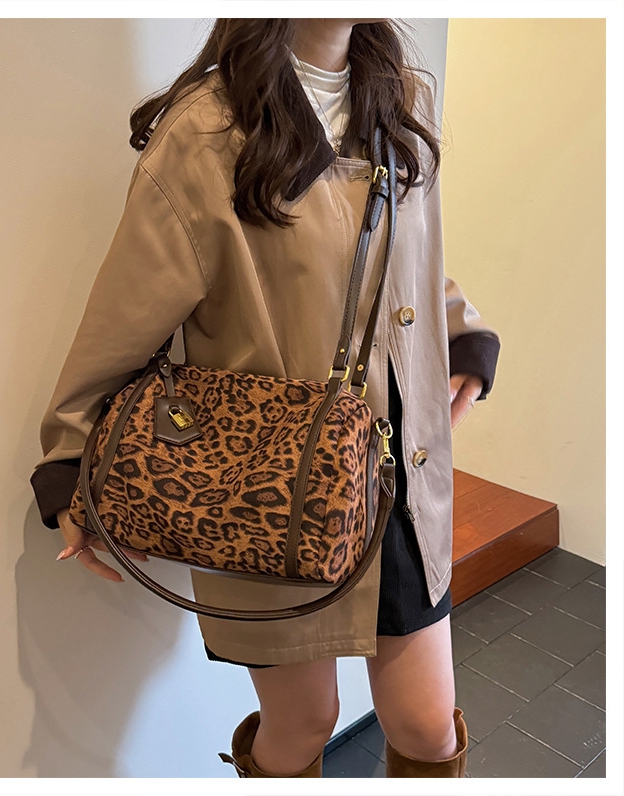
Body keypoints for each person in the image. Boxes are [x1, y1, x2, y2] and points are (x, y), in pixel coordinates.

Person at [30, 18, 500, 778]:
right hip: (275, 486)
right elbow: (124, 314)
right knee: (305, 721)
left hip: (398, 478)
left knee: (425, 725)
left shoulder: (402, 96)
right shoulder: (205, 134)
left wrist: (463, 337)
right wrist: (71, 462)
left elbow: (402, 254)